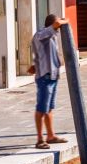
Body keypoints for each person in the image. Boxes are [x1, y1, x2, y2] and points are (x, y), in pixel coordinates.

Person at [29, 14, 68, 150]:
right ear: (52, 25)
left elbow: (44, 55)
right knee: (41, 108)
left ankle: (50, 135)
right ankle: (40, 139)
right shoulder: (42, 34)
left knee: (49, 108)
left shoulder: (52, 37)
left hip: (52, 76)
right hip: (45, 77)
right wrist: (64, 20)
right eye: (58, 27)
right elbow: (57, 23)